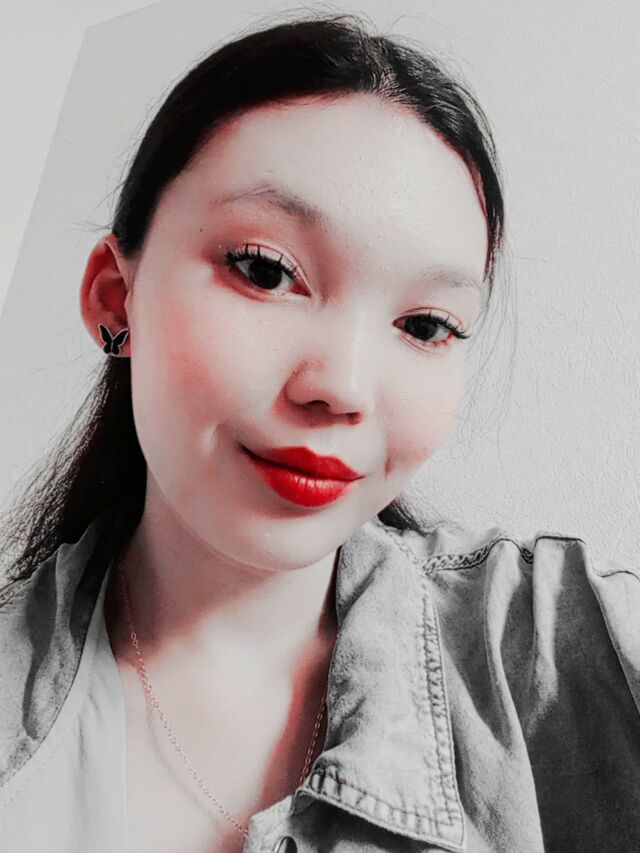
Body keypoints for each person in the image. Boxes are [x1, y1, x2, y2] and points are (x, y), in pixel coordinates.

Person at [1, 11, 639, 853]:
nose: (341, 386)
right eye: (266, 270)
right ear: (116, 299)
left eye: (425, 324)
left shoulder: (550, 649)